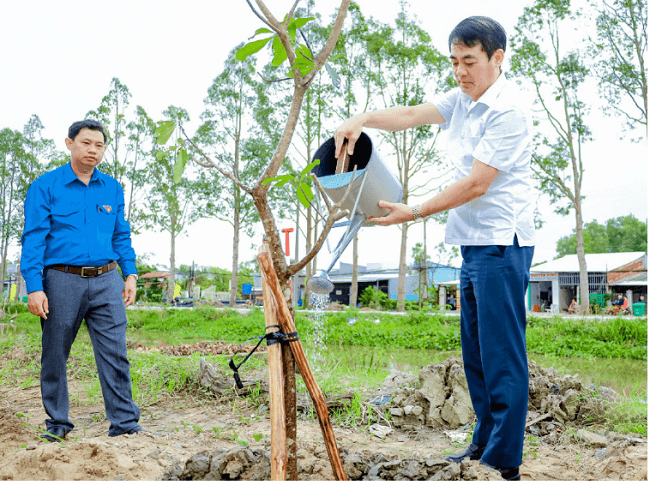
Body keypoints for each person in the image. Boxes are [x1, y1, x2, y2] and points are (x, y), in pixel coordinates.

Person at [334, 17, 534, 481]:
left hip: (501, 242)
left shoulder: (509, 111)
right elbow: (409, 115)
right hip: (471, 242)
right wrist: (361, 119)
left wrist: (417, 211)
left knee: (503, 355)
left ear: (496, 58)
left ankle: (503, 462)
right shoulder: (463, 99)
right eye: (454, 62)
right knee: (476, 354)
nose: (460, 72)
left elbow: (478, 183)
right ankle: (483, 444)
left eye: (469, 61)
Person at [21, 119, 144, 441]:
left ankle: (125, 424)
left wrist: (129, 274)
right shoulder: (46, 186)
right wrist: (34, 286)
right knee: (55, 353)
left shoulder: (112, 188)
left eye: (99, 145)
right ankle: (58, 424)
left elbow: (121, 234)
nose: (93, 150)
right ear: (69, 143)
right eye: (86, 143)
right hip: (62, 280)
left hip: (107, 280)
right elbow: (34, 239)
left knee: (115, 353)